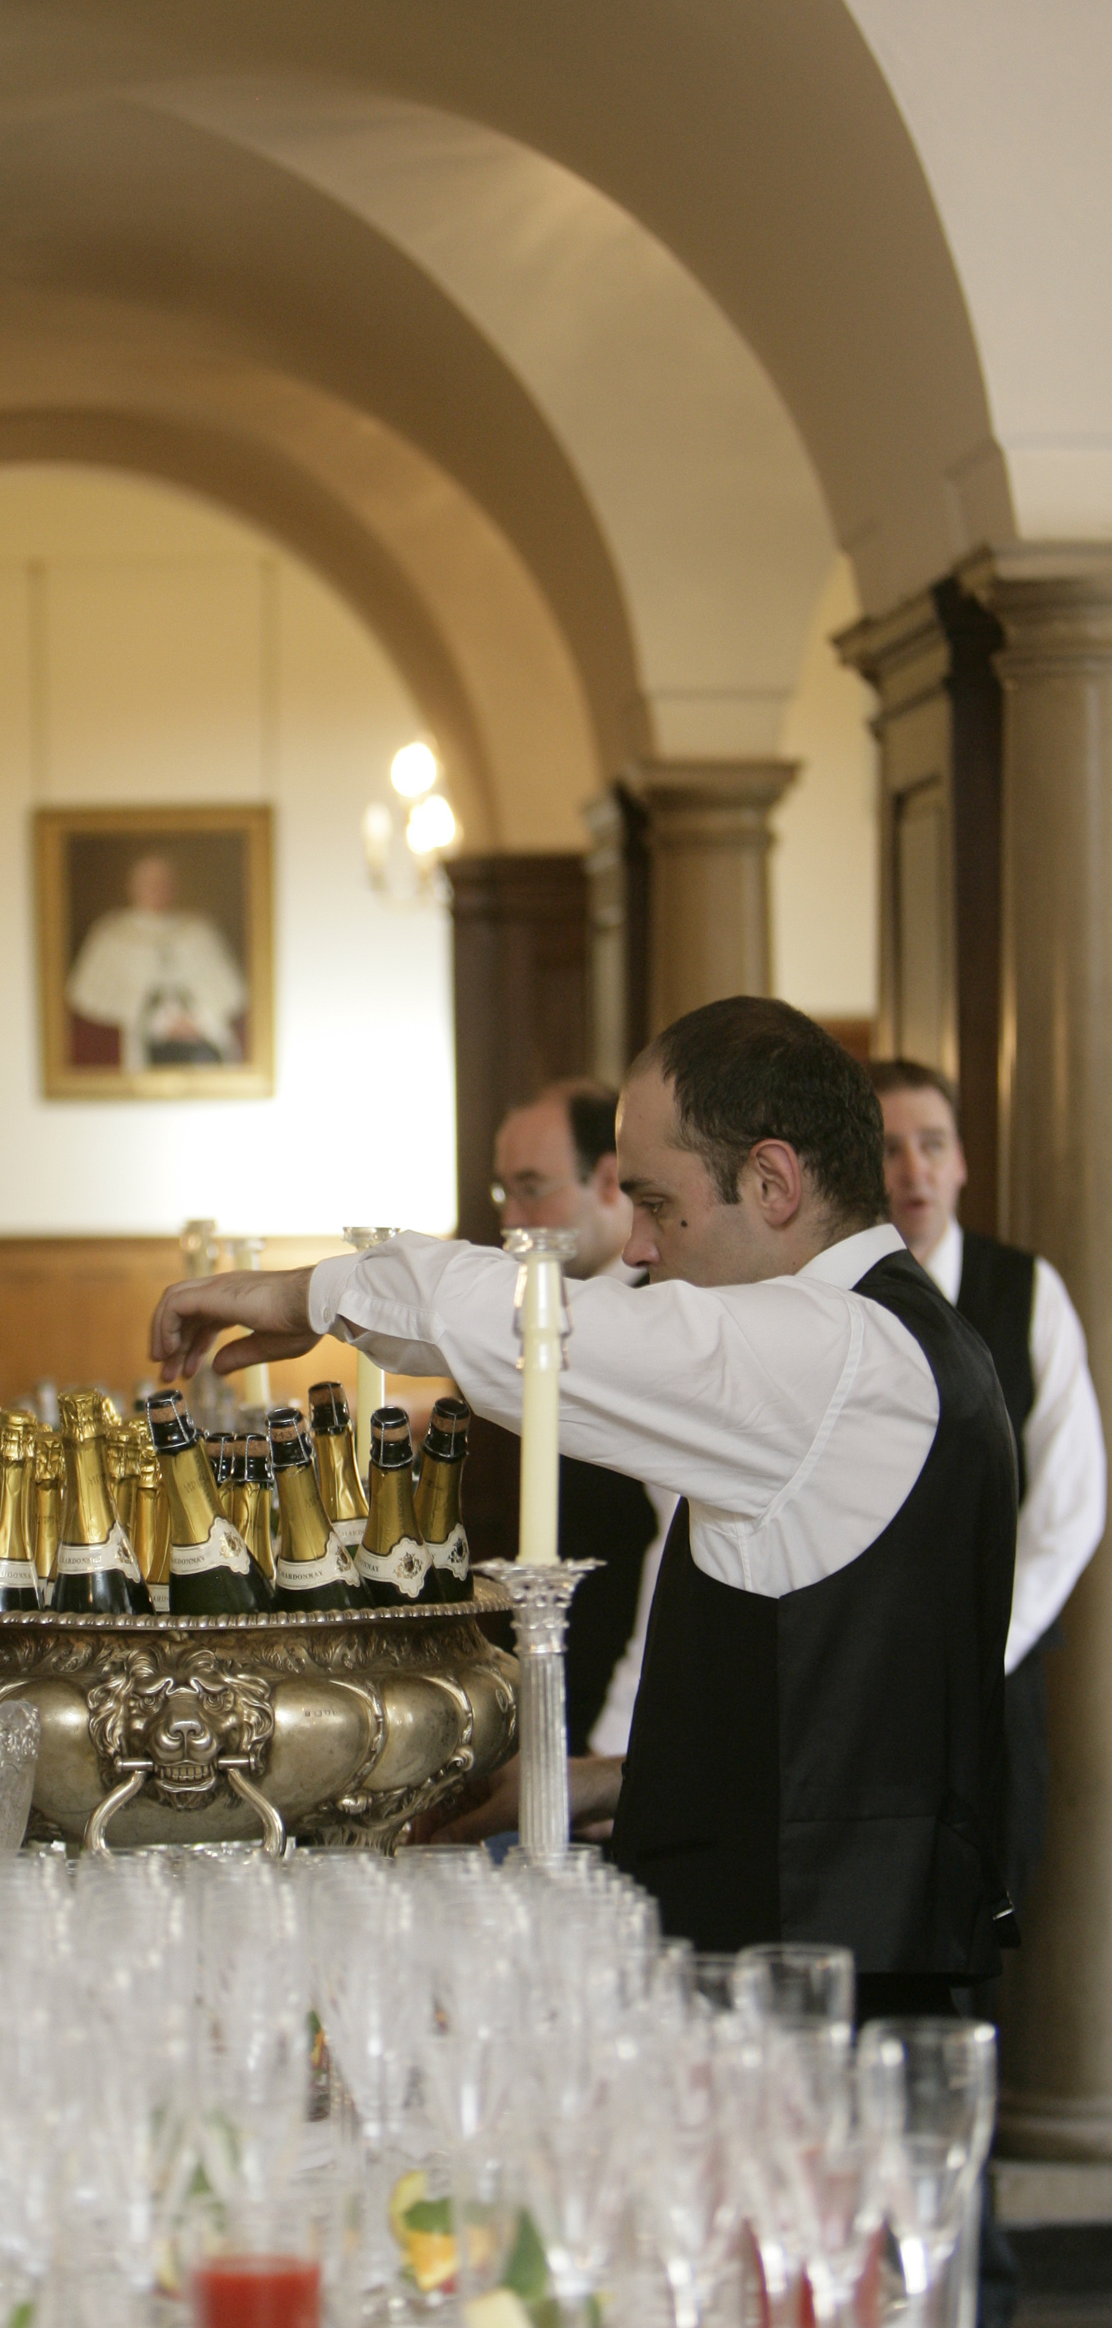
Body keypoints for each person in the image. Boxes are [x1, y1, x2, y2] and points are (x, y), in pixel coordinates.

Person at [150, 998, 1018, 2013]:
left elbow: (546, 1331)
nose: (641, 1244)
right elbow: (834, 1715)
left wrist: (312, 1291)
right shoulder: (897, 1338)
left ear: (773, 1182)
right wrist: (609, 1780)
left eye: (658, 1201)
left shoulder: (831, 1347)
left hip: (809, 1989)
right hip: (836, 1956)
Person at [873, 1058, 1104, 1916]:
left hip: (996, 1691)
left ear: (962, 1160)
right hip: (861, 1690)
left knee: (984, 1939)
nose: (913, 1168)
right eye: (891, 1148)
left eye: (932, 1144)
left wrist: (984, 1643)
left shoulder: (1027, 1290)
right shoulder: (830, 1304)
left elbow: (1071, 1504)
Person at [482, 1078, 673, 1753]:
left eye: (534, 1186)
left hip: (624, 1722)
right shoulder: (533, 1320)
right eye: (505, 1191)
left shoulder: (663, 1318)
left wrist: (617, 1742)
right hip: (549, 1700)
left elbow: (675, 1552)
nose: (513, 1220)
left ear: (610, 1179)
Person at [66, 852, 247, 1069]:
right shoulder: (110, 935)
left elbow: (228, 996)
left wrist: (197, 1020)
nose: (157, 888)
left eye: (163, 881)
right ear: (132, 886)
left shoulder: (199, 931)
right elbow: (91, 1005)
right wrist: (155, 1024)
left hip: (199, 1047)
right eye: (148, 882)